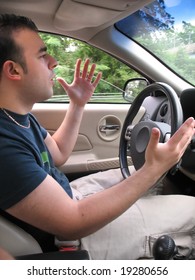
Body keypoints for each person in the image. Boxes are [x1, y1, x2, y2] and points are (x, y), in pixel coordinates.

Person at [0, 13, 195, 260]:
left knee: (157, 180)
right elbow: (72, 221)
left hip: (68, 196)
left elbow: (58, 153)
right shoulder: (4, 145)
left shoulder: (18, 117)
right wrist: (154, 168)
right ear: (13, 70)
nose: (54, 62)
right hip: (70, 235)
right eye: (42, 55)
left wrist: (78, 104)